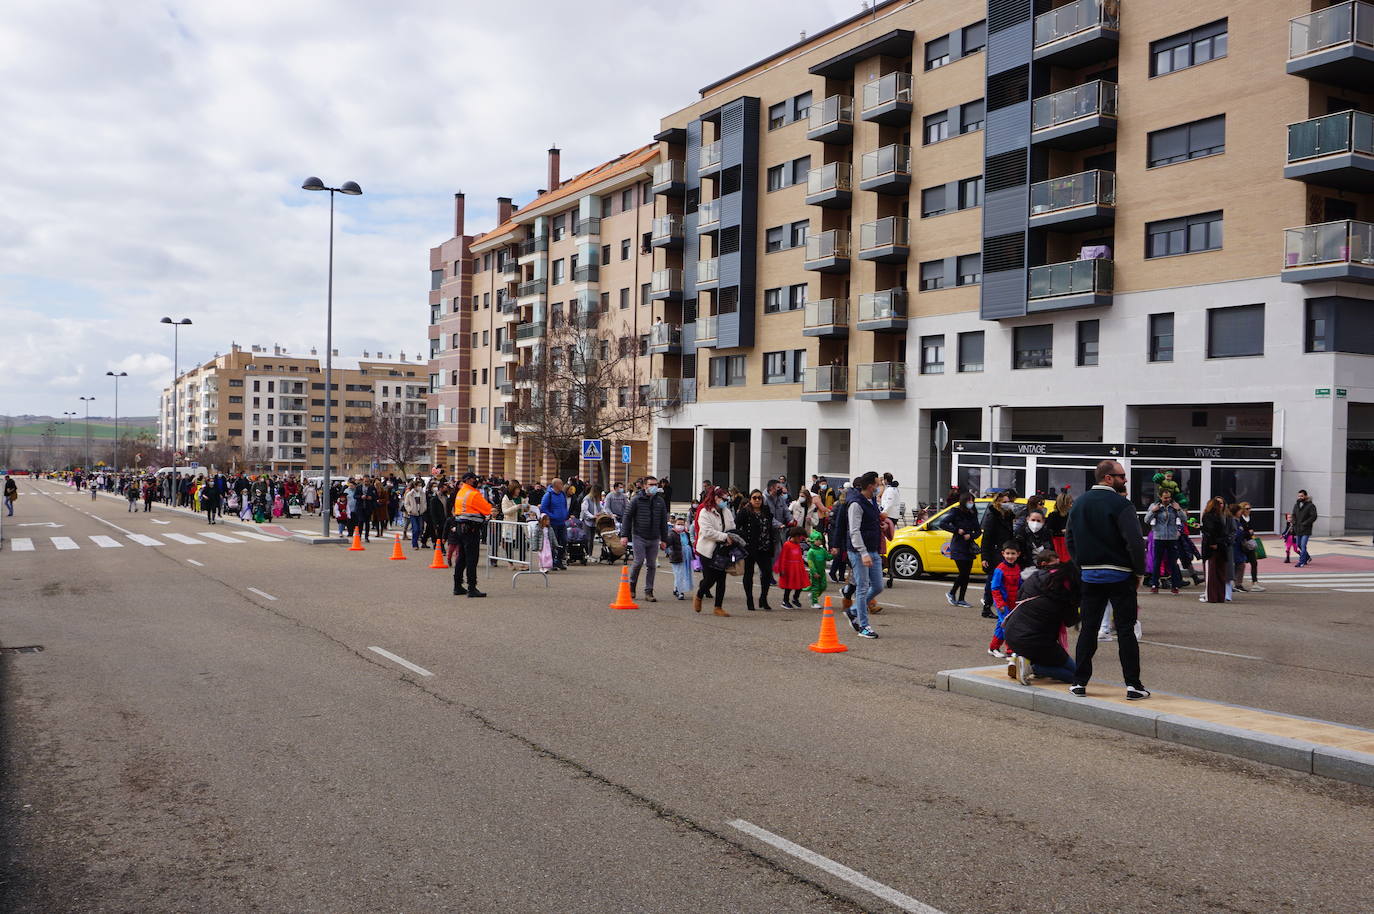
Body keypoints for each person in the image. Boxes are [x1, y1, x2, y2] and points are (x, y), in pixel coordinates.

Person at [1065, 460, 1149, 700]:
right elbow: (1134, 541)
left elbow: (1069, 539)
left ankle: (1079, 682)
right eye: (1122, 475)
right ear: (1108, 478)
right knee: (1125, 630)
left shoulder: (1078, 503)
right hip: (1120, 574)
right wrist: (1139, 572)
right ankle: (1133, 685)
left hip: (1090, 575)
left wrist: (1081, 565)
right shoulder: (1122, 504)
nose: (1126, 479)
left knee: (1088, 629)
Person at [1004, 549, 1082, 685]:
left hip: (1012, 633)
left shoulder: (1034, 577)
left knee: (1055, 663)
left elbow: (1019, 596)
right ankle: (1032, 667)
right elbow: (1070, 620)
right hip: (1037, 642)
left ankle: (1022, 658)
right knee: (1077, 675)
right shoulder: (1063, 595)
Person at [842, 472, 883, 639]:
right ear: (871, 486)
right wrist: (863, 553)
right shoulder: (856, 504)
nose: (880, 487)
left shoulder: (871, 501)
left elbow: (868, 523)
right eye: (878, 484)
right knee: (862, 587)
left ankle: (853, 611)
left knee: (878, 586)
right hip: (859, 552)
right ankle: (863, 626)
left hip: (873, 549)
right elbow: (854, 531)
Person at [621, 475, 670, 602]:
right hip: (639, 536)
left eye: (656, 484)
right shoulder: (636, 500)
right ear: (644, 486)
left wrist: (664, 539)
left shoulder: (660, 501)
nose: (654, 487)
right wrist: (624, 535)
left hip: (654, 537)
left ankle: (649, 591)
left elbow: (663, 522)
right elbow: (627, 517)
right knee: (638, 561)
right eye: (651, 485)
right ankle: (632, 587)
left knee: (651, 565)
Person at [693, 486, 735, 617]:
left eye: (727, 499)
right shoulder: (705, 512)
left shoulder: (727, 511)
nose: (726, 501)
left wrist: (732, 536)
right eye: (724, 499)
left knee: (722, 578)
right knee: (710, 578)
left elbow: (732, 526)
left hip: (724, 550)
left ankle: (718, 607)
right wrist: (724, 536)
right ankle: (699, 595)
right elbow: (706, 532)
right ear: (716, 498)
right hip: (708, 549)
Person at [451, 471, 493, 598]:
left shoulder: (461, 492)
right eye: (475, 479)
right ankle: (472, 587)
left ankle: (457, 586)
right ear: (469, 480)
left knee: (461, 558)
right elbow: (487, 509)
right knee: (471, 559)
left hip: (461, 528)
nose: (477, 482)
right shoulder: (473, 494)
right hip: (471, 530)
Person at [736, 489, 777, 612]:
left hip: (765, 547)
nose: (757, 500)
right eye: (754, 498)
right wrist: (743, 540)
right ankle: (749, 599)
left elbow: (770, 526)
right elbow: (737, 526)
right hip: (750, 548)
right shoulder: (745, 512)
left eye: (759, 498)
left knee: (767, 573)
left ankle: (763, 598)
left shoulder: (766, 510)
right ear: (750, 499)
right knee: (749, 574)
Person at [938, 492, 981, 608]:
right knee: (963, 573)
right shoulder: (956, 512)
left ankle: (961, 598)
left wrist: (971, 536)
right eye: (969, 501)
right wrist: (957, 530)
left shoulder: (973, 513)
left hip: (969, 547)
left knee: (966, 575)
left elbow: (978, 531)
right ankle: (952, 593)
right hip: (958, 546)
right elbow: (943, 523)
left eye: (972, 501)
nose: (971, 503)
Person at [980, 492, 1017, 619]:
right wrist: (984, 557)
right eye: (1005, 502)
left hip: (1005, 552)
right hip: (995, 553)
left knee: (1001, 581)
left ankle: (1001, 606)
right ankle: (986, 607)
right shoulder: (993, 517)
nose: (1008, 504)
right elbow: (986, 539)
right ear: (998, 503)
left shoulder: (1007, 516)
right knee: (993, 581)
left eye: (1009, 502)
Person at [1144, 487, 1187, 594]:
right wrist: (1153, 511)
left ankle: (1175, 585)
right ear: (1160, 497)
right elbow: (1146, 520)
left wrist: (1178, 509)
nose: (1167, 499)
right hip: (1159, 537)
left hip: (1172, 538)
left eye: (1168, 497)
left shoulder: (1174, 506)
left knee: (1173, 562)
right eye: (1165, 497)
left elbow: (1184, 519)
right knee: (1157, 562)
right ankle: (1154, 584)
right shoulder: (1155, 506)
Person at [987, 542, 1022, 659]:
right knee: (1008, 626)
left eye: (1013, 553)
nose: (1010, 556)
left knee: (1001, 625)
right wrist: (1000, 604)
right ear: (1003, 554)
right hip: (1003, 604)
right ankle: (1010, 651)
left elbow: (1020, 584)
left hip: (1013, 603)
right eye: (1007, 553)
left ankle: (993, 648)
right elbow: (995, 588)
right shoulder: (999, 570)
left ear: (1018, 554)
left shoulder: (1017, 567)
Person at [773, 525, 811, 609]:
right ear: (796, 536)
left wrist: (804, 566)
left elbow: (799, 557)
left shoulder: (797, 545)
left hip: (798, 568)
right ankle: (785, 601)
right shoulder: (787, 545)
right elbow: (783, 558)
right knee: (788, 586)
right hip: (789, 569)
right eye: (800, 537)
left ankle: (795, 598)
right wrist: (782, 569)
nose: (801, 539)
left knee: (801, 584)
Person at [539, 478, 570, 570]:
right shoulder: (548, 495)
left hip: (562, 522)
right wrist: (553, 516)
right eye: (561, 484)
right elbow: (543, 508)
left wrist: (565, 514)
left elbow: (564, 506)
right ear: (556, 485)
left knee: (564, 541)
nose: (563, 486)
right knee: (553, 543)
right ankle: (551, 562)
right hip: (553, 523)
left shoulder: (562, 494)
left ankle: (559, 561)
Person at [666, 514, 694, 600]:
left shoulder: (686, 533)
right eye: (678, 524)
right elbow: (668, 542)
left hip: (686, 555)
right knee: (679, 573)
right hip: (677, 556)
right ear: (675, 524)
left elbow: (689, 543)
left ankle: (676, 588)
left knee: (682, 573)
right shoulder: (672, 533)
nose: (680, 526)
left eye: (682, 524)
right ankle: (679, 591)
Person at [1291, 490, 1317, 567]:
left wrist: (1305, 523)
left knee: (1303, 545)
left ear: (1305, 496)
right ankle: (1307, 557)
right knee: (1298, 544)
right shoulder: (1296, 505)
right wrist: (1294, 522)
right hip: (1298, 529)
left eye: (1301, 496)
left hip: (1306, 529)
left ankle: (1301, 562)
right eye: (1299, 496)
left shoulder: (1311, 505)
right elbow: (1293, 514)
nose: (1300, 497)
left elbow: (1313, 516)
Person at [804, 530, 830, 609]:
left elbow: (828, 557)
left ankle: (813, 595)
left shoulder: (822, 550)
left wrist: (833, 555)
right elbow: (811, 563)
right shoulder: (811, 552)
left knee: (823, 586)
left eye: (820, 540)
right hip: (814, 573)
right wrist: (814, 572)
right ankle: (814, 603)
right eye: (817, 540)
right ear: (813, 540)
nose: (819, 541)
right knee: (816, 587)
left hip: (822, 572)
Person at [402, 480, 427, 549]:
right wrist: (410, 510)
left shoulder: (422, 493)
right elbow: (406, 504)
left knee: (420, 529)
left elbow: (424, 503)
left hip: (420, 513)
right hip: (413, 514)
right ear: (415, 486)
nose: (420, 487)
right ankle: (415, 544)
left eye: (421, 485)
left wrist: (423, 509)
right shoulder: (410, 494)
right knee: (415, 529)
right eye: (418, 485)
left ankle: (416, 542)